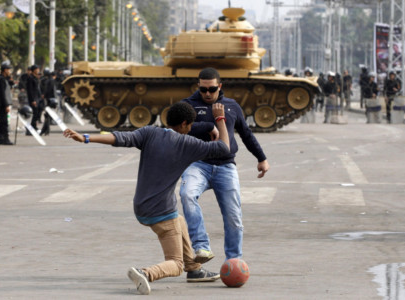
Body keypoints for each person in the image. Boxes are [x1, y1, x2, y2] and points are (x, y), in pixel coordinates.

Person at [63, 102, 230, 295]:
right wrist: (220, 119)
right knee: (175, 264)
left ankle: (193, 270)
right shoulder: (189, 145)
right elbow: (224, 148)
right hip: (162, 213)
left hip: (141, 207)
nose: (191, 128)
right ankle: (145, 273)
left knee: (180, 221)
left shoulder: (150, 133)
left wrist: (85, 137)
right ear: (185, 124)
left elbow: (120, 137)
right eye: (191, 125)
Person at [180, 67, 269, 262]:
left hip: (226, 166)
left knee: (234, 217)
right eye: (203, 90)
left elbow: (246, 133)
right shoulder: (188, 105)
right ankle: (201, 247)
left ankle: (234, 261)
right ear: (198, 87)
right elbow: (177, 126)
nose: (208, 94)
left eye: (212, 89)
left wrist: (261, 158)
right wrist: (208, 125)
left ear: (220, 86)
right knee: (186, 195)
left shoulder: (232, 106)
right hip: (198, 164)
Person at [0, 64, 14, 145]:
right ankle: (4, 138)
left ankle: (1, 138)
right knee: (4, 122)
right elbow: (2, 94)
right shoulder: (1, 80)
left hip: (0, 103)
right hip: (2, 104)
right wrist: (6, 105)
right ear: (5, 70)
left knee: (2, 121)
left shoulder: (2, 79)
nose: (10, 72)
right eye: (9, 70)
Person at [40, 71, 58, 136]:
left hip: (48, 100)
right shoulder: (52, 81)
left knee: (47, 116)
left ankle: (45, 130)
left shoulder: (48, 81)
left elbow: (46, 91)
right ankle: (45, 130)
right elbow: (52, 92)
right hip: (51, 101)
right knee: (48, 116)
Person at [26, 65, 42, 134]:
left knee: (36, 113)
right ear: (33, 70)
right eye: (37, 69)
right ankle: (30, 128)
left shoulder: (36, 78)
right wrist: (32, 100)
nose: (38, 70)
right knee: (34, 113)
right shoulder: (30, 78)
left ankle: (34, 126)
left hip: (37, 98)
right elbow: (30, 90)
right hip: (33, 99)